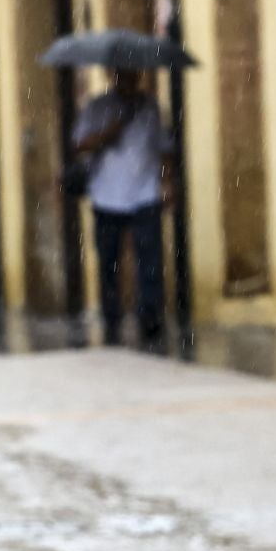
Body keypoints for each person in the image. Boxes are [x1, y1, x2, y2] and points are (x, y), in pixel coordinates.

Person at [72, 67, 174, 350]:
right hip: (107, 195)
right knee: (109, 260)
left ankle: (150, 317)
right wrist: (108, 133)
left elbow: (163, 147)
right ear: (111, 75)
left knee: (149, 260)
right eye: (122, 73)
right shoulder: (96, 107)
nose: (129, 79)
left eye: (133, 74)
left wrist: (166, 182)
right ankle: (111, 317)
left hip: (145, 194)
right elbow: (79, 144)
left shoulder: (151, 107)